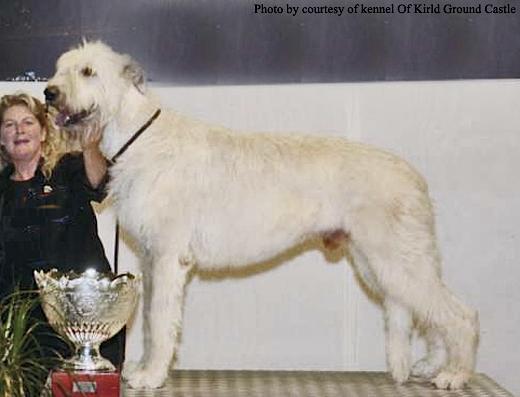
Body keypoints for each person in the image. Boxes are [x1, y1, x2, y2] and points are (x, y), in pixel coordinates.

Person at [0, 92, 123, 369]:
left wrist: (90, 145)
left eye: (28, 122)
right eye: (9, 125)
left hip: (83, 317)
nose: (19, 130)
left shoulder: (68, 169)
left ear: (43, 132)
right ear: (1, 139)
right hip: (23, 331)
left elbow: (100, 184)